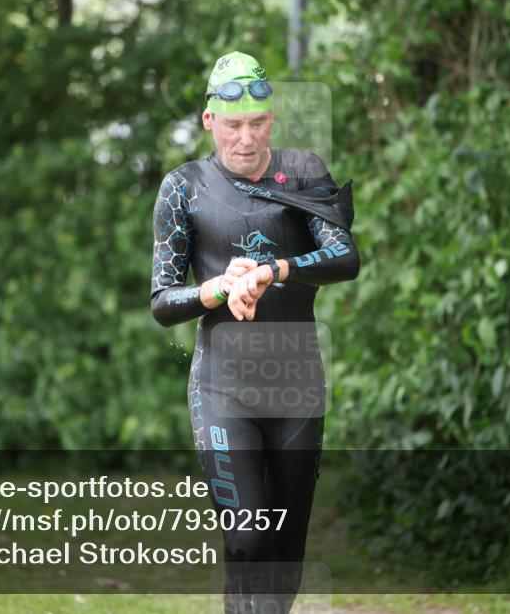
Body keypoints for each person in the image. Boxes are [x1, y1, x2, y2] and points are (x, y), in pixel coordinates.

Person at [151, 52, 359, 613]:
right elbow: (163, 302)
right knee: (247, 540)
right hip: (223, 388)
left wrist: (276, 270)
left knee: (283, 552)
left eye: (258, 124)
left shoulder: (305, 171)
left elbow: (345, 257)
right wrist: (217, 288)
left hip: (297, 387)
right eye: (233, 125)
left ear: (272, 119)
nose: (246, 139)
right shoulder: (183, 187)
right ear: (209, 121)